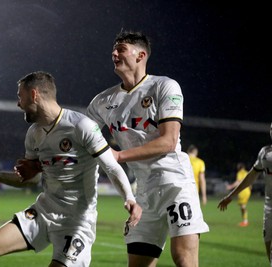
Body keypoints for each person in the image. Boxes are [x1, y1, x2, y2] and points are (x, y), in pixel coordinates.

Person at [0, 71, 142, 267]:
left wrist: (129, 198)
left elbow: (111, 167)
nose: (18, 104)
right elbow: (30, 180)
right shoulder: (33, 134)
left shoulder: (81, 126)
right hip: (44, 212)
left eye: (19, 97)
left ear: (34, 95)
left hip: (77, 222)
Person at [86, 30, 209, 267]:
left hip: (175, 184)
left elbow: (168, 141)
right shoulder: (102, 101)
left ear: (141, 55)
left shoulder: (164, 86)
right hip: (142, 192)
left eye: (121, 49)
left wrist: (119, 155)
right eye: (114, 49)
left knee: (184, 258)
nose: (114, 53)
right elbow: (81, 137)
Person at [218, 122, 272, 264]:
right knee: (269, 251)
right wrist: (231, 196)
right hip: (269, 209)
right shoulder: (265, 153)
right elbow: (251, 176)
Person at [225, 162, 251, 227]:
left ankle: (245, 221)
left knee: (243, 206)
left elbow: (238, 182)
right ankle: (245, 221)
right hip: (247, 191)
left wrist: (230, 187)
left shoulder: (240, 173)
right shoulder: (247, 172)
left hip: (243, 191)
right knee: (243, 206)